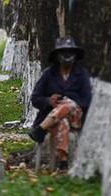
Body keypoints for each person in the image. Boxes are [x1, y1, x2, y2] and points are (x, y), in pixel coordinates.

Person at [28, 36, 92, 173]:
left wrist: (69, 102)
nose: (67, 56)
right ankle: (63, 163)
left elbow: (87, 100)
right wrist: (48, 101)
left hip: (76, 117)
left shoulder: (81, 74)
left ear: (75, 55)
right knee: (62, 122)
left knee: (67, 103)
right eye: (63, 52)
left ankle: (40, 130)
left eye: (70, 52)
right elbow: (35, 98)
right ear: (57, 56)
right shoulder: (48, 74)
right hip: (55, 120)